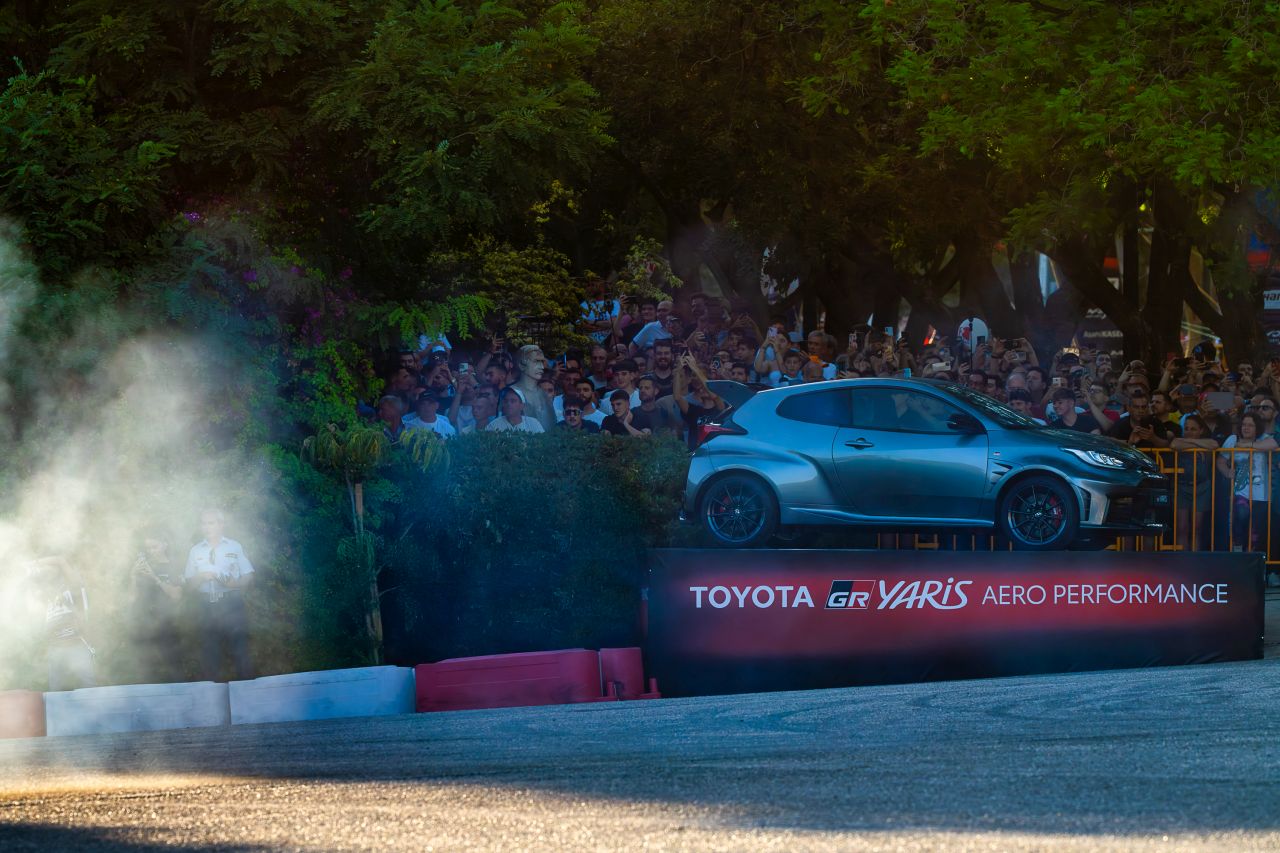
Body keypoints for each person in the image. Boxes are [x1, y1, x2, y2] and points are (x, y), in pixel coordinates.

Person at [185, 508, 254, 682]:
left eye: (211, 523)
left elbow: (248, 575)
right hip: (206, 604)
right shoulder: (195, 551)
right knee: (209, 650)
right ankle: (211, 691)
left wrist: (233, 584)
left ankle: (245, 689)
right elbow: (189, 586)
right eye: (203, 523)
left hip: (231, 602)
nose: (206, 527)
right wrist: (201, 577)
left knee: (240, 648)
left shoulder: (234, 546)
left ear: (221, 524)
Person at [29, 556, 96, 691]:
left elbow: (61, 560)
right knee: (56, 690)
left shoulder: (74, 589)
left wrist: (34, 563)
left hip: (76, 646)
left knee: (89, 688)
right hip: (55, 649)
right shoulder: (47, 596)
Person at [131, 527, 185, 683]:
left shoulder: (174, 566)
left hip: (167, 623)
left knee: (174, 666)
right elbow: (132, 598)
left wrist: (154, 577)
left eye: (154, 547)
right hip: (144, 623)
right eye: (148, 548)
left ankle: (180, 695)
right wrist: (133, 575)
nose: (151, 551)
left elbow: (176, 595)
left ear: (165, 545)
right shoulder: (143, 567)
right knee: (145, 669)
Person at [1217, 412, 1276, 551]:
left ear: (1257, 427)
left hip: (1261, 494)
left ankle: (1251, 559)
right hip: (1240, 491)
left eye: (1250, 425)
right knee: (1240, 517)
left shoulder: (1264, 438)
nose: (1246, 428)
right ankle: (1238, 555)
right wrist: (1227, 472)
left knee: (1255, 533)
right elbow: (1221, 461)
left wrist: (1247, 445)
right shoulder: (1233, 439)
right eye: (1243, 424)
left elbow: (1273, 444)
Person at [1170, 414, 1217, 553]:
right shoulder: (1179, 440)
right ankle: (1182, 560)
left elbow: (1214, 445)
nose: (1189, 432)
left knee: (1197, 528)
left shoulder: (1206, 441)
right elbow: (1174, 444)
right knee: (1182, 527)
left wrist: (1190, 442)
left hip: (1202, 487)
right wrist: (1196, 443)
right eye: (1186, 429)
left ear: (1201, 430)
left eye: (1193, 429)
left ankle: (1194, 560)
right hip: (1182, 486)